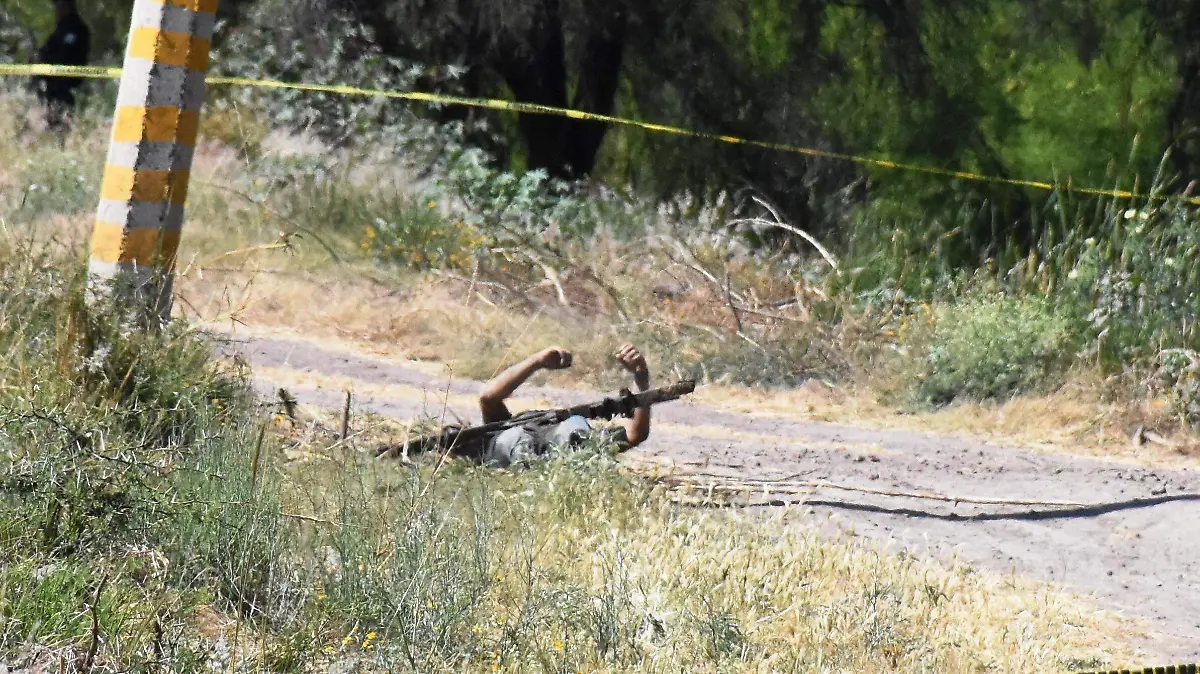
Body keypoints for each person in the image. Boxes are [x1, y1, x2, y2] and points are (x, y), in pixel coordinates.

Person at [477, 343, 652, 467]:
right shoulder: (499, 436)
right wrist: (641, 378)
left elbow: (488, 398)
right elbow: (487, 398)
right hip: (542, 459)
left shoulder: (503, 428)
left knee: (575, 428)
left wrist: (537, 362)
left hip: (562, 451)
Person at [34, 0, 91, 130]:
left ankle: (62, 128)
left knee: (62, 105)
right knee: (50, 104)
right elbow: (48, 48)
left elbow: (65, 51)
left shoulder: (75, 28)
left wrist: (49, 59)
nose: (57, 10)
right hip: (54, 78)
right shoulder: (62, 27)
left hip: (66, 77)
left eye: (60, 6)